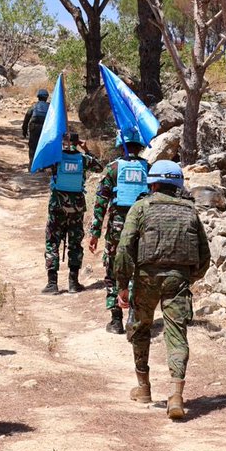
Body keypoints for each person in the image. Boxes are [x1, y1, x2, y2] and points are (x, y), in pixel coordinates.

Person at [114, 160, 210, 420]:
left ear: (152, 183)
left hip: (145, 278)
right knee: (176, 335)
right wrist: (189, 278)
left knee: (140, 328)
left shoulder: (140, 208)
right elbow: (204, 255)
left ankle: (144, 388)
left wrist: (122, 284)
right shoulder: (190, 211)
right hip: (178, 279)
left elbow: (124, 248)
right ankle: (176, 395)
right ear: (178, 185)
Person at [88, 128, 150, 334]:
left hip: (117, 230)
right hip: (142, 229)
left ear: (120, 145)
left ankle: (116, 320)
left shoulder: (113, 169)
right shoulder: (149, 169)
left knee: (113, 270)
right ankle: (134, 313)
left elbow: (100, 203)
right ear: (140, 146)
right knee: (139, 271)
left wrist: (95, 233)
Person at [36, 132, 102, 295]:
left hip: (57, 207)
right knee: (74, 244)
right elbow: (99, 167)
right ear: (77, 142)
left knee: (52, 242)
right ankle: (73, 282)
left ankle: (52, 283)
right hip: (76, 209)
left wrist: (55, 147)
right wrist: (86, 150)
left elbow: (39, 164)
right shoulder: (84, 160)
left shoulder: (56, 159)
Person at [22, 89, 50, 164]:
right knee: (44, 146)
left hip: (34, 128)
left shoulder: (34, 106)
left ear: (38, 97)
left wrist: (24, 130)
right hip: (45, 130)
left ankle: (32, 164)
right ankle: (42, 165)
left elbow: (27, 117)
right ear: (46, 97)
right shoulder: (50, 107)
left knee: (33, 146)